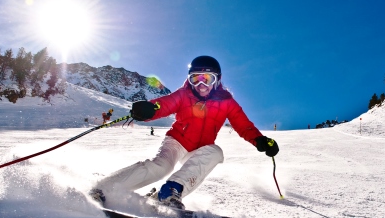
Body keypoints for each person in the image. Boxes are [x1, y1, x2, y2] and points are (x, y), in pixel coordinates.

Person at [90, 56, 279, 209]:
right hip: (177, 142)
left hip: (200, 149)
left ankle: (170, 191)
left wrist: (260, 140)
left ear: (217, 81)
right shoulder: (183, 94)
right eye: (195, 79)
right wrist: (149, 110)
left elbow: (243, 125)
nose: (201, 85)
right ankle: (104, 189)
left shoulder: (226, 102)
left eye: (207, 79)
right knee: (162, 167)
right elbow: (164, 104)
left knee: (216, 152)